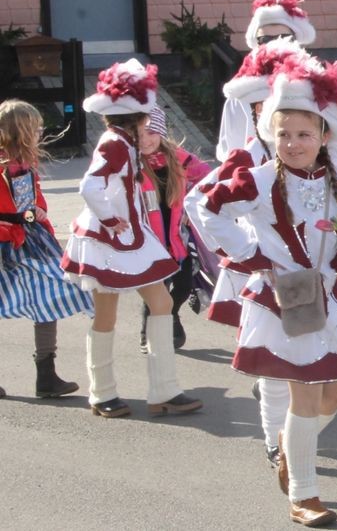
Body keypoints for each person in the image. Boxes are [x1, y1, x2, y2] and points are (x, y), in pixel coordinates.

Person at [195, 54, 337, 527]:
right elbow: (206, 208)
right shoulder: (257, 181)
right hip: (291, 296)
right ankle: (304, 493)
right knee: (304, 390)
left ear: (324, 135)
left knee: (333, 392)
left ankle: (287, 445)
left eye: (303, 134)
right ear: (268, 135)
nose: (293, 143)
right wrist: (253, 254)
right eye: (282, 134)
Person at [185, 39, 331, 469]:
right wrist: (248, 250)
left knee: (316, 367)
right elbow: (200, 202)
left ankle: (292, 436)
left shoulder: (315, 151)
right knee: (275, 367)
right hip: (265, 273)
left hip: (313, 277)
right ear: (255, 113)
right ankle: (275, 443)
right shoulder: (247, 156)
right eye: (265, 107)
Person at [60, 60, 203, 418]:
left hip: (131, 236)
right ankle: (102, 392)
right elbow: (89, 184)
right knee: (108, 313)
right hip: (107, 240)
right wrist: (110, 218)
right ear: (136, 120)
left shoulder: (123, 142)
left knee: (161, 303)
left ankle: (164, 390)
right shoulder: (115, 144)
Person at [0, 99, 92, 400]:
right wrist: (27, 215)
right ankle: (46, 375)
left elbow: (33, 202)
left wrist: (36, 212)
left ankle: (46, 373)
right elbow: (12, 210)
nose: (41, 132)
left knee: (49, 297)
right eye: (36, 128)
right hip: (6, 240)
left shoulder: (26, 164)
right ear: (19, 131)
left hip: (29, 238)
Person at [137, 107, 211, 351]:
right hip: (149, 240)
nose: (145, 140)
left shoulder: (178, 157)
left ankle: (173, 314)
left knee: (183, 286)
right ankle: (149, 332)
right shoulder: (132, 163)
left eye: (150, 132)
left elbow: (207, 178)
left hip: (176, 237)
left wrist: (193, 206)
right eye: (138, 134)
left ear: (161, 131)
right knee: (156, 289)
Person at [216, 0, 317, 161]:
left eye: (284, 37)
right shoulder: (241, 93)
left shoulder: (315, 86)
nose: (276, 45)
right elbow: (231, 152)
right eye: (266, 40)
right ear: (256, 44)